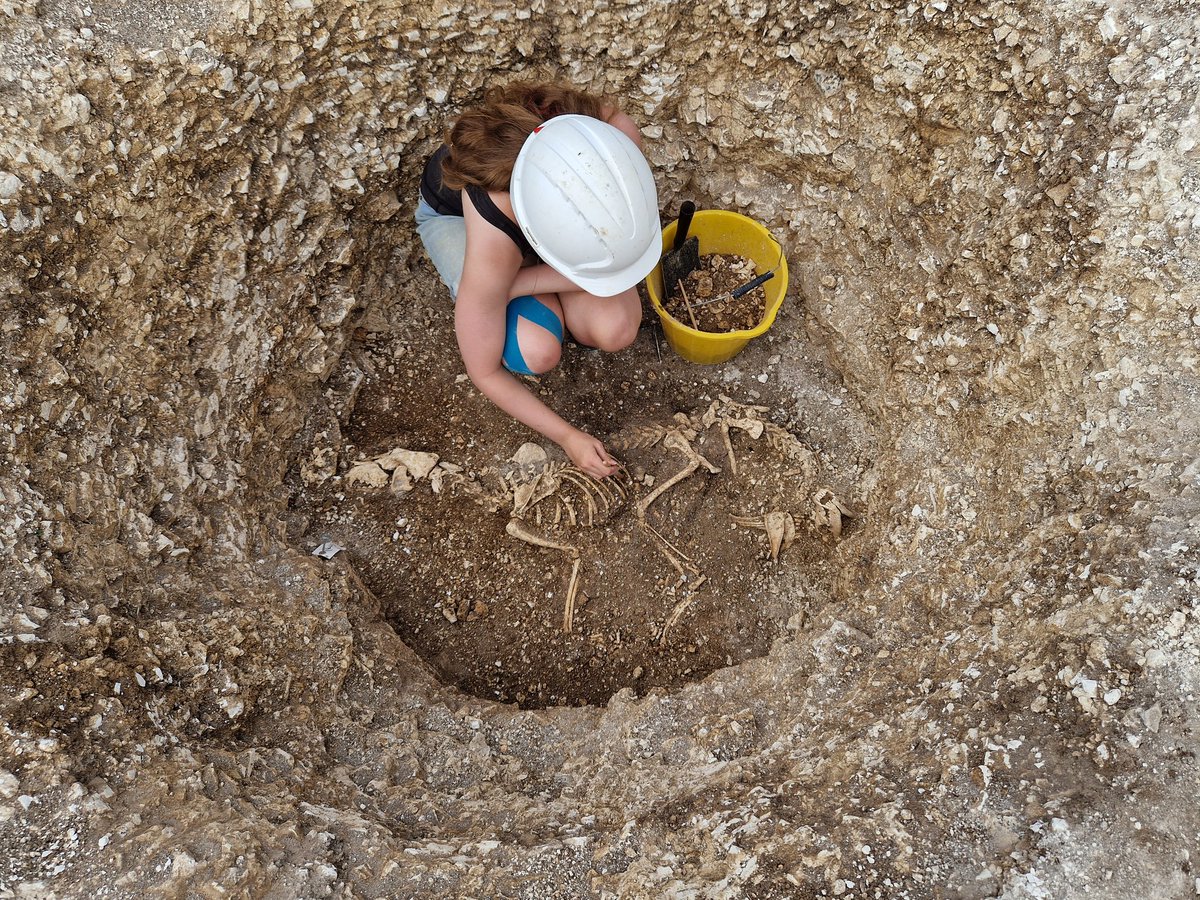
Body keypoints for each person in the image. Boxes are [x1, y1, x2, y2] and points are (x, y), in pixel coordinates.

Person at [415, 82, 661, 480]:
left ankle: (539, 286)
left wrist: (521, 284)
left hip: (524, 239)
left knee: (615, 328)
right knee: (536, 350)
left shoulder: (612, 137)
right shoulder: (492, 234)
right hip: (462, 222)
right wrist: (567, 436)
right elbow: (485, 372)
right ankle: (539, 289)